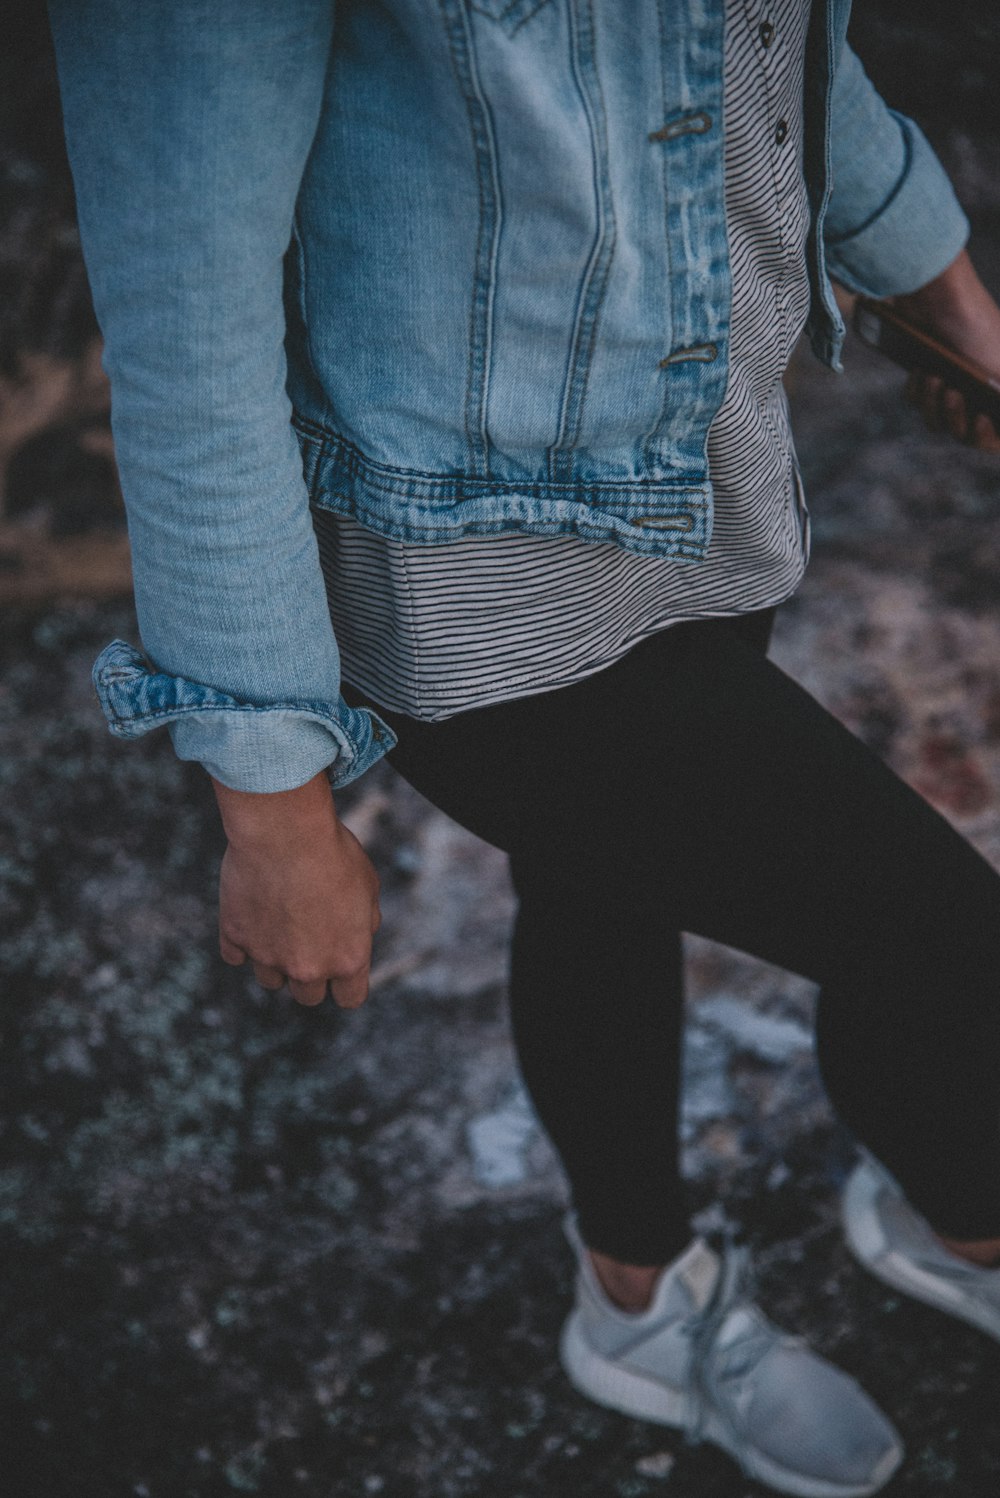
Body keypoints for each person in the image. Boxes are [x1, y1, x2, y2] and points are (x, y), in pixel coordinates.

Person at [48, 2, 1000, 1493]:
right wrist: (271, 803)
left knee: (603, 880)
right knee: (954, 953)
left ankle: (635, 1300)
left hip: (706, 480)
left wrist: (934, 276)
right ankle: (966, 1202)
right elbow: (188, 320)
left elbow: (785, 45)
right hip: (470, 567)